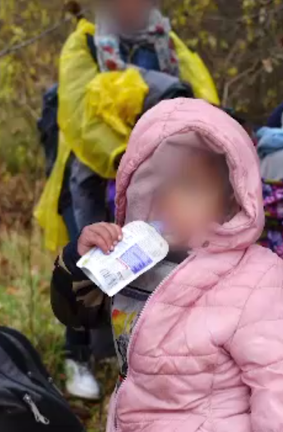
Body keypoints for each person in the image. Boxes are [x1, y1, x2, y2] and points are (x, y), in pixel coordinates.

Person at [50, 98, 283, 432]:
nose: (168, 198)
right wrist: (81, 264)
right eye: (157, 182)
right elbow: (78, 315)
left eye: (189, 186)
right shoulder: (136, 259)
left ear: (231, 199)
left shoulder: (260, 282)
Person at [34, 0, 219, 400]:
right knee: (91, 256)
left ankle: (141, 353)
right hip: (91, 173)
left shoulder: (168, 41)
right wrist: (124, 157)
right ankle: (78, 355)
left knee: (152, 258)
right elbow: (78, 113)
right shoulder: (82, 43)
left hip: (158, 175)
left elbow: (202, 94)